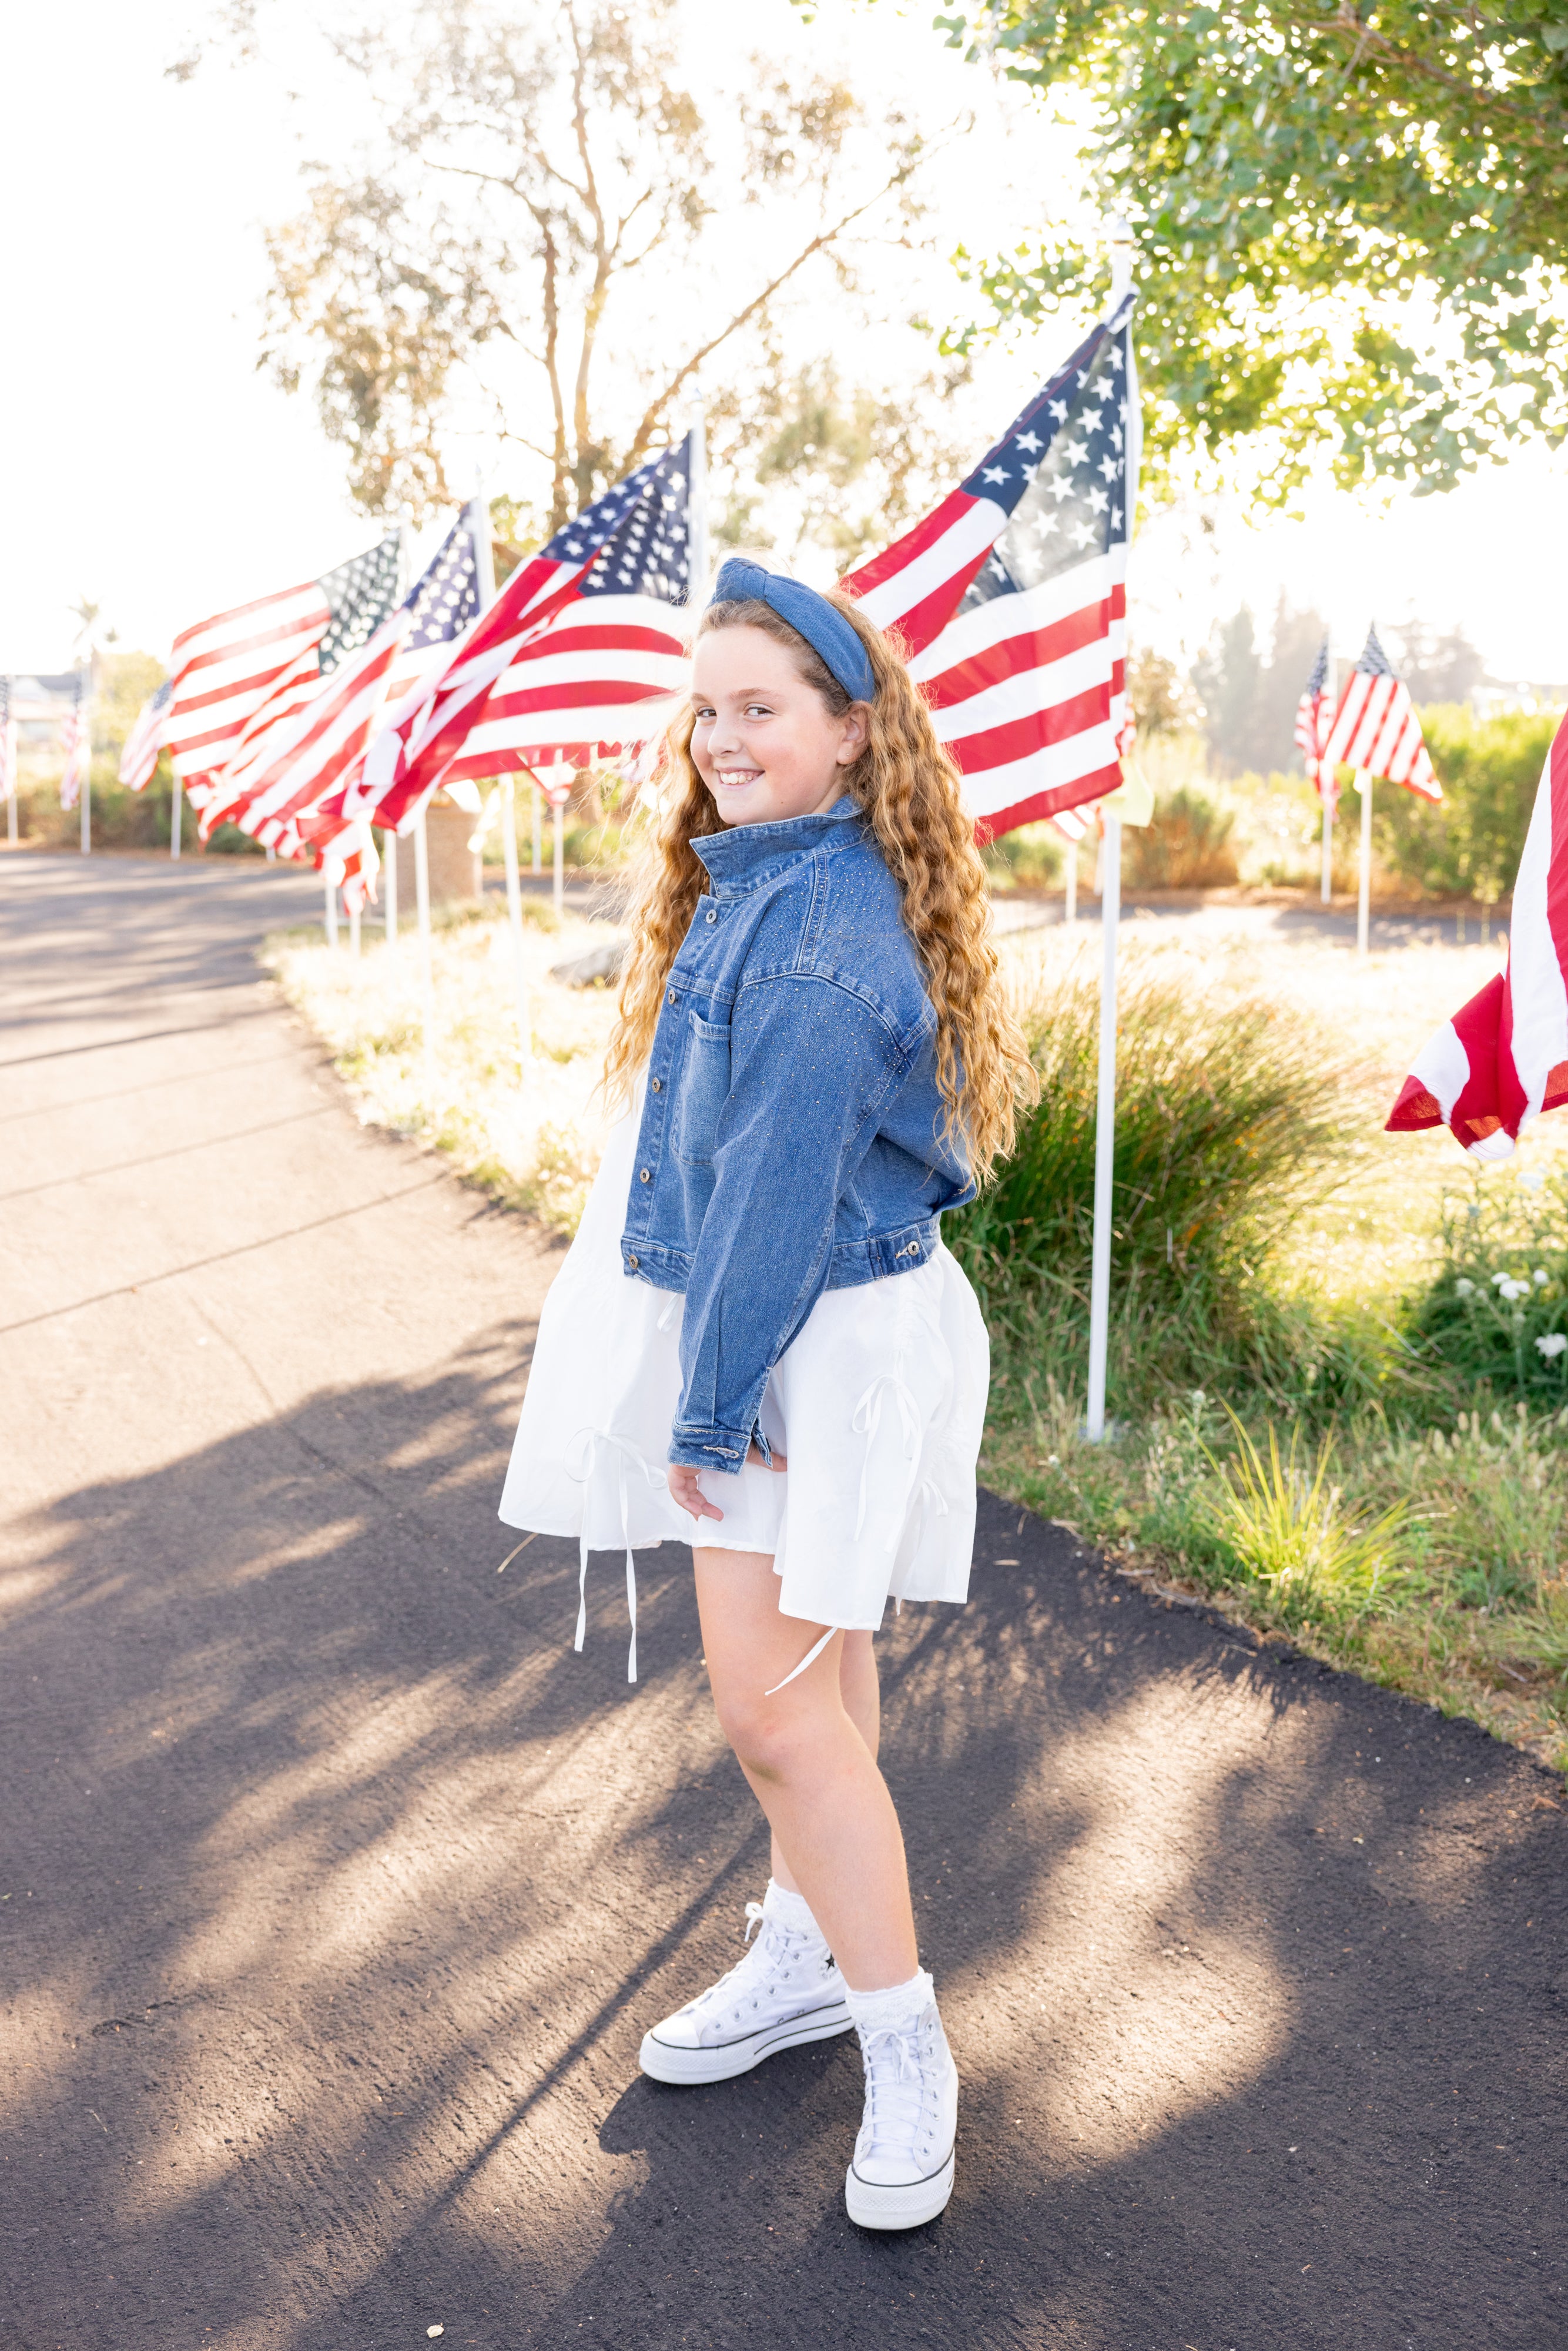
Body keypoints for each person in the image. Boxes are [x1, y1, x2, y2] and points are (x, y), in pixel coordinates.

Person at [498, 555, 1036, 2231]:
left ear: (852, 732)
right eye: (708, 707)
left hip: (798, 1339)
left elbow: (768, 1207)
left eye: (760, 709)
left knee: (772, 1713)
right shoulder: (779, 880)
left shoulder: (813, 943)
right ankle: (808, 1959)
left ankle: (905, 2045)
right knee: (822, 1668)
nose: (722, 736)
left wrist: (708, 1408)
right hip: (812, 1326)